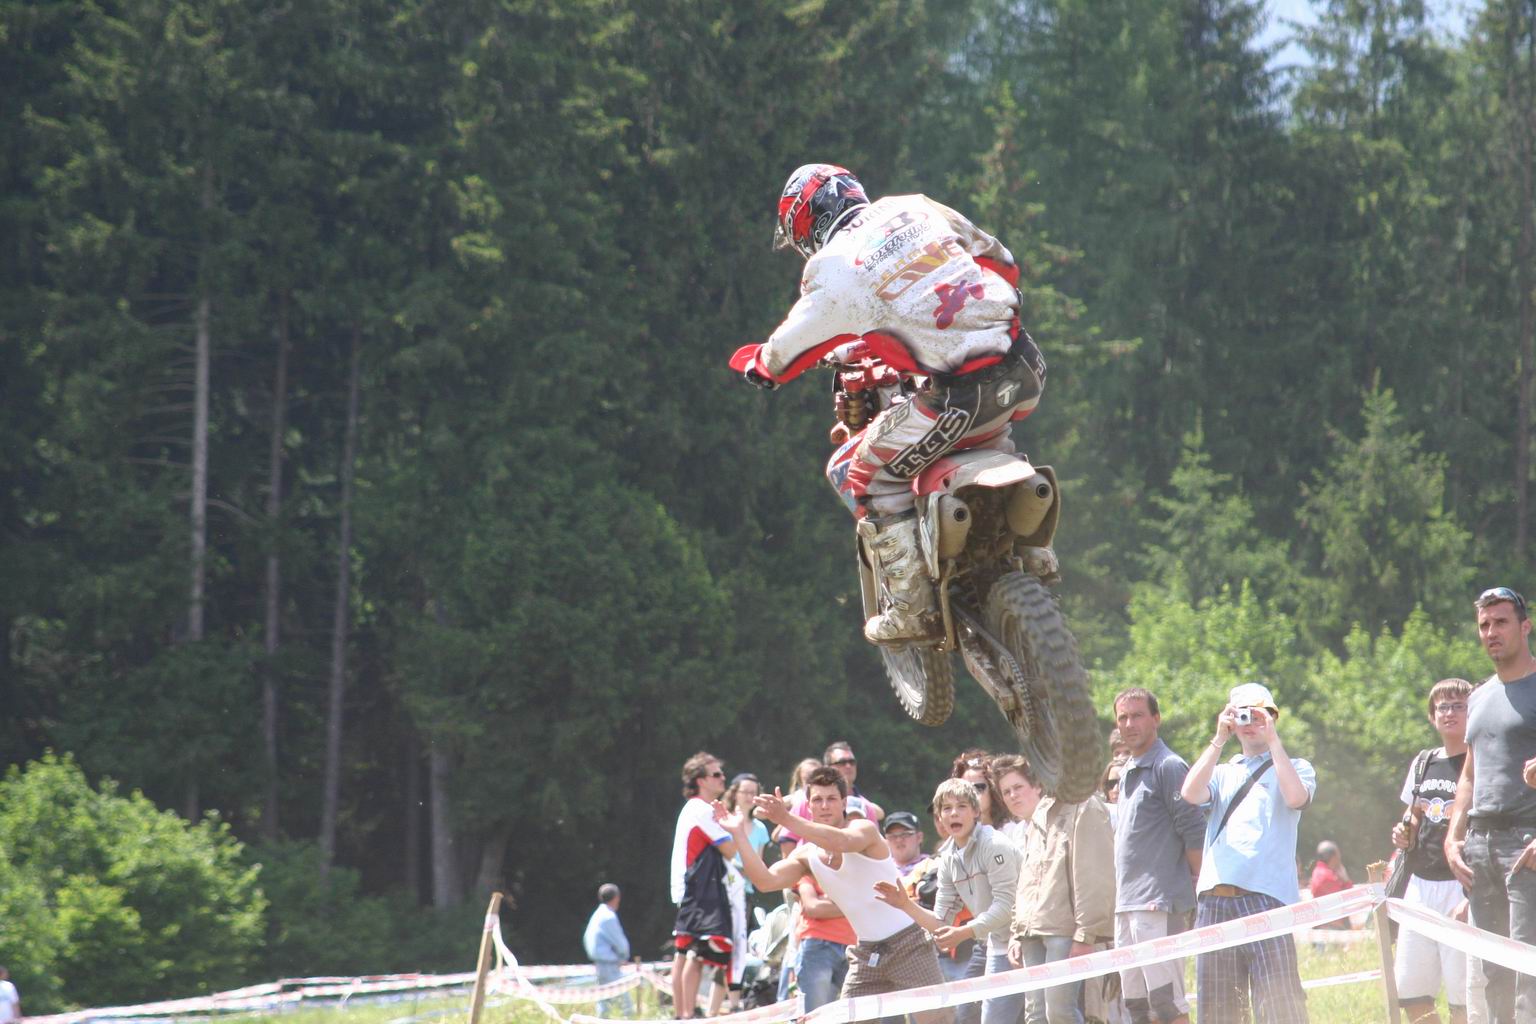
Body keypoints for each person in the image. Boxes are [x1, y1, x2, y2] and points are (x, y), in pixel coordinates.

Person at [732, 164, 1047, 646]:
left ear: (807, 225)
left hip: (959, 396)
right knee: (993, 433)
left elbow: (786, 353)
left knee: (866, 473)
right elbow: (999, 259)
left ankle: (911, 610)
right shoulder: (913, 206)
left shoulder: (831, 267)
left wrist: (761, 365)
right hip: (1026, 365)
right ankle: (1038, 552)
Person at [716, 767, 954, 1024]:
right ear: (809, 806)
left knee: (936, 1020)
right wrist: (739, 835)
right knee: (851, 1020)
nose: (824, 806)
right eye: (817, 800)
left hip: (909, 943)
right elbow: (765, 881)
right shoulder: (806, 855)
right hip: (867, 953)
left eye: (831, 799)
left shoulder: (863, 829)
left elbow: (840, 842)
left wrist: (785, 819)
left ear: (843, 803)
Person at [1180, 683, 1315, 1024]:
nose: (1250, 723)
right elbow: (1190, 793)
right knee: (1218, 1010)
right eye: (1242, 715)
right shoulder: (1224, 771)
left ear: (1273, 717)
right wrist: (1219, 739)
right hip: (1215, 898)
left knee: (1279, 1006)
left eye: (1259, 715)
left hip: (1267, 897)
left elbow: (1296, 798)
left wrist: (1273, 741)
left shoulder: (1296, 766)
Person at [1446, 586, 1536, 1023]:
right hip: (1480, 845)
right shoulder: (1479, 696)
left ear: (1525, 626)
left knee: (1528, 968)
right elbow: (1469, 774)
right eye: (1484, 625)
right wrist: (1452, 838)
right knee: (1493, 969)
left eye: (1501, 622)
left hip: (1527, 844)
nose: (1491, 632)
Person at [875, 778, 1023, 1024]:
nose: (954, 813)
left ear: (976, 811)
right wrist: (906, 905)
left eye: (962, 806)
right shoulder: (947, 858)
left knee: (1047, 1016)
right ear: (939, 818)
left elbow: (1007, 906)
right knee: (974, 1018)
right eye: (946, 808)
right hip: (997, 945)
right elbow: (942, 922)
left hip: (1029, 940)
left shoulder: (995, 844)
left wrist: (964, 932)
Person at [1112, 688, 1207, 1024]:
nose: (1129, 724)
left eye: (1138, 715)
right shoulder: (1128, 768)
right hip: (1126, 904)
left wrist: (1200, 891)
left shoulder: (1169, 765)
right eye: (1123, 717)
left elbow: (1194, 830)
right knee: (1137, 1007)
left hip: (1159, 901)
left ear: (1156, 718)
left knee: (1167, 1004)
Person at [1009, 762, 1115, 1024]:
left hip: (1065, 931)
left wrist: (1086, 934)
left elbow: (1095, 876)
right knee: (1035, 1017)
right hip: (1032, 930)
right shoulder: (1041, 809)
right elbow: (1028, 875)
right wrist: (1016, 931)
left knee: (1060, 1014)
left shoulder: (1087, 805)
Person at [1394, 678, 1472, 1024]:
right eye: (1442, 707)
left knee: (1463, 997)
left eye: (1458, 706)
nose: (1449, 713)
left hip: (1461, 884)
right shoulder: (1424, 761)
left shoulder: (1480, 761)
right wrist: (1404, 829)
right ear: (1431, 716)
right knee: (1411, 992)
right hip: (1419, 885)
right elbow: (1414, 811)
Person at [670, 751, 738, 1018]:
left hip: (689, 888)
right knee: (693, 954)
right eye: (716, 774)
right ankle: (687, 1015)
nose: (723, 777)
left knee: (684, 951)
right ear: (700, 780)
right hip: (696, 890)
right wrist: (735, 827)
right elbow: (730, 849)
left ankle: (682, 1014)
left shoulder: (692, 808)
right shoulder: (702, 809)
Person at [584, 883, 634, 1018]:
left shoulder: (597, 914)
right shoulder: (608, 917)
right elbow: (620, 941)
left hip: (600, 963)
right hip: (609, 964)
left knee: (604, 1000)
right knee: (625, 1003)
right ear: (616, 898)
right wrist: (623, 956)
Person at [826, 740, 886, 822]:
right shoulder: (816, 804)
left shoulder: (868, 809)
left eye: (852, 762)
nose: (848, 766)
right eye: (842, 762)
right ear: (828, 768)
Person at [991, 754, 1039, 847]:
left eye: (1018, 787)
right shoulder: (1017, 834)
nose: (1012, 795)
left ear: (1037, 786)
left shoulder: (1057, 823)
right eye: (1006, 792)